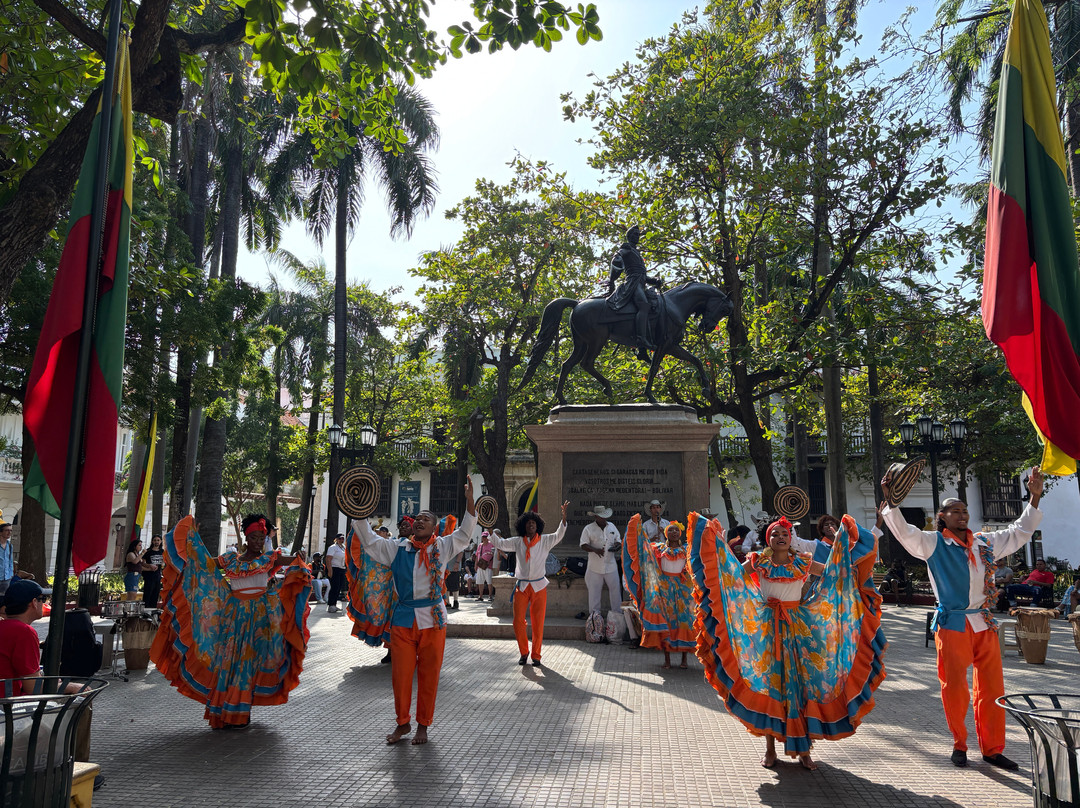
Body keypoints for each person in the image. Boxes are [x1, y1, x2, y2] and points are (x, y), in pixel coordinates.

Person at [690, 510, 886, 771]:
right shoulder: (758, 561)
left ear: (791, 537)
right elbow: (731, 579)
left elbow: (833, 575)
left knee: (801, 687)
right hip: (766, 630)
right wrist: (720, 547)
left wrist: (845, 546)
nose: (781, 537)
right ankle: (770, 749)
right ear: (767, 539)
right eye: (775, 534)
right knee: (772, 687)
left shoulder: (804, 562)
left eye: (785, 533)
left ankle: (804, 750)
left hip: (798, 629)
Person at [880, 466, 1044, 771]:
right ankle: (959, 744)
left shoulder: (984, 542)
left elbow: (1018, 533)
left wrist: (1034, 498)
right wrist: (890, 500)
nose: (962, 515)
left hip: (984, 622)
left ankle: (993, 748)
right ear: (942, 517)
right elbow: (903, 532)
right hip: (953, 623)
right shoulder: (932, 543)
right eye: (955, 511)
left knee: (993, 687)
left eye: (965, 510)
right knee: (955, 688)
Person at [150, 514, 311, 729]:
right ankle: (232, 709)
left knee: (250, 664)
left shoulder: (270, 558)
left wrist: (299, 557)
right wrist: (192, 541)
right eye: (254, 538)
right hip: (234, 617)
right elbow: (203, 565)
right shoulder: (231, 560)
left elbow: (295, 561)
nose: (258, 542)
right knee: (232, 663)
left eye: (261, 538)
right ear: (246, 539)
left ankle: (239, 708)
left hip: (262, 620)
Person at [348, 479, 477, 745]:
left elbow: (465, 532)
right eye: (417, 518)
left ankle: (423, 726)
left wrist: (470, 499)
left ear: (435, 527)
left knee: (429, 675)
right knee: (401, 676)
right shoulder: (397, 548)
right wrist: (358, 511)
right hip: (403, 619)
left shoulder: (444, 546)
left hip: (434, 620)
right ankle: (402, 723)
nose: (419, 521)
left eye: (425, 519)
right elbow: (370, 542)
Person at [490, 503, 569, 666]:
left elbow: (559, 534)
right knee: (517, 621)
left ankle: (536, 655)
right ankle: (524, 652)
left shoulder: (545, 541)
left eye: (533, 522)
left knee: (538, 622)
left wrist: (564, 518)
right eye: (528, 522)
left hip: (539, 586)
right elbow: (501, 544)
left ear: (537, 525)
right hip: (522, 586)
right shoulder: (518, 542)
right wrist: (490, 530)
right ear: (523, 526)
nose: (531, 524)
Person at [623, 516, 694, 669]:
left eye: (676, 530)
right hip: (664, 591)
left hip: (683, 592)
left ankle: (684, 659)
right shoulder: (658, 549)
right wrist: (638, 530)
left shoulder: (687, 550)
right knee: (666, 623)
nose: (674, 532)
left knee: (684, 621)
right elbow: (644, 551)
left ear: (680, 533)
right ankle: (667, 660)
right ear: (666, 533)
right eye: (671, 530)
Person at [606, 224, 664, 352]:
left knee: (655, 306)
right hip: (633, 284)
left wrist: (654, 280)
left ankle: (644, 345)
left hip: (641, 282)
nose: (637, 237)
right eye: (634, 234)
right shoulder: (626, 248)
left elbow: (642, 274)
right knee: (644, 306)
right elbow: (617, 258)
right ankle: (641, 339)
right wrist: (616, 264)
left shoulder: (636, 252)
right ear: (629, 236)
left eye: (638, 235)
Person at [580, 506, 624, 626]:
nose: (603, 518)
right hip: (594, 567)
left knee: (615, 591)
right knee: (594, 593)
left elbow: (619, 540)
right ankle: (595, 620)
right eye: (600, 516)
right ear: (596, 516)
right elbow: (583, 545)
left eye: (604, 516)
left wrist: (616, 546)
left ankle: (617, 618)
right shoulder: (588, 529)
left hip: (611, 565)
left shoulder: (612, 526)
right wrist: (595, 550)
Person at [0, 520, 34, 597]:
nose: (9, 533)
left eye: (10, 530)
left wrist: (11, 574)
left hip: (6, 578)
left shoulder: (9, 546)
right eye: (7, 530)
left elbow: (10, 561)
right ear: (1, 532)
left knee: (4, 598)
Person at [325, 532, 348, 613]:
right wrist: (330, 571)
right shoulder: (333, 547)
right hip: (334, 568)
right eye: (340, 538)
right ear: (336, 539)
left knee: (339, 587)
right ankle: (331, 605)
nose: (341, 540)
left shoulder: (343, 547)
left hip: (341, 568)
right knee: (334, 587)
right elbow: (328, 559)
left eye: (342, 538)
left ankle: (334, 604)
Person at [141, 534, 165, 608]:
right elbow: (142, 562)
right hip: (149, 576)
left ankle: (153, 611)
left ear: (161, 541)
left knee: (155, 595)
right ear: (152, 541)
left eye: (158, 540)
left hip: (158, 576)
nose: (156, 542)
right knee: (148, 594)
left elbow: (165, 562)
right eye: (155, 540)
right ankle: (145, 611)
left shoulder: (162, 551)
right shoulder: (148, 551)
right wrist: (149, 566)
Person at [473, 531, 497, 601]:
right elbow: (477, 555)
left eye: (485, 537)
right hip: (480, 565)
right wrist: (476, 565)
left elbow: (493, 555)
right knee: (480, 582)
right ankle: (480, 596)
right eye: (483, 536)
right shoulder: (480, 545)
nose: (484, 538)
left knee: (489, 581)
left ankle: (490, 596)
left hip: (488, 566)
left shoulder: (491, 545)